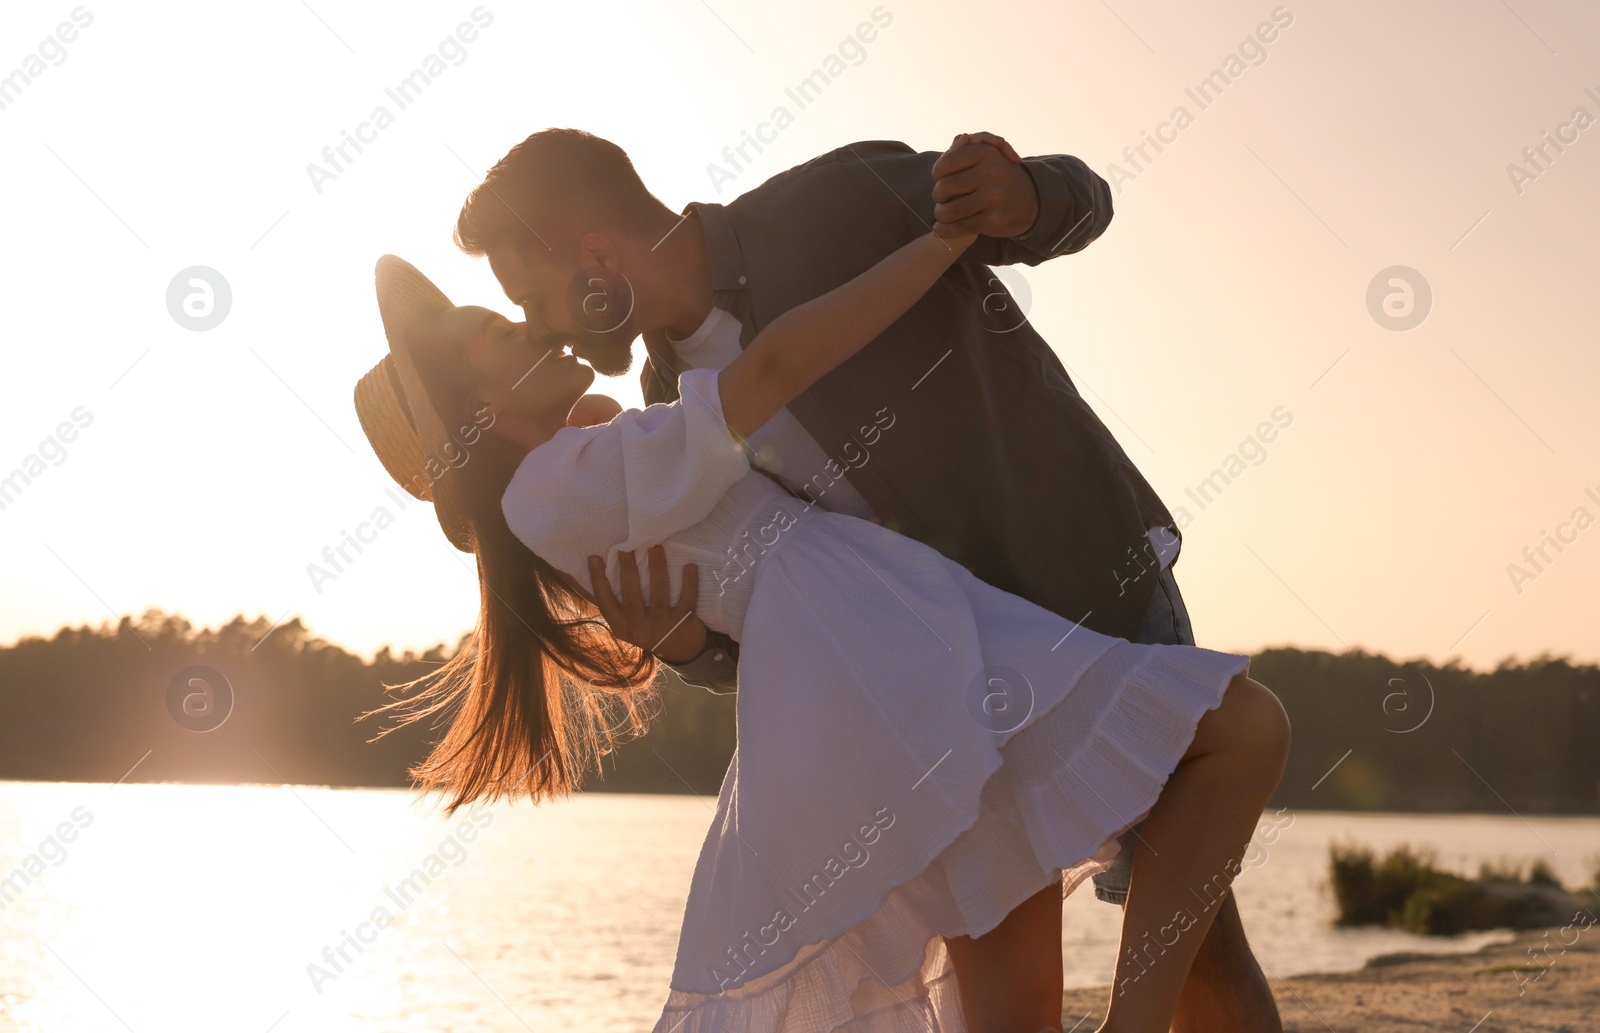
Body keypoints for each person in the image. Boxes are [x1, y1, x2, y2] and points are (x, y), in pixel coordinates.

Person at [352, 192, 1291, 1029]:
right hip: (869, 665)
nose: (541, 331)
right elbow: (777, 368)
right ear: (479, 406)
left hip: (885, 636)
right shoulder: (552, 489)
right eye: (508, 334)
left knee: (1222, 746)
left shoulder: (586, 460)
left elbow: (699, 581)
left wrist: (679, 637)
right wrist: (937, 246)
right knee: (1236, 731)